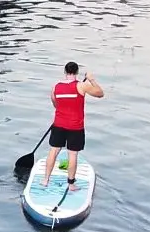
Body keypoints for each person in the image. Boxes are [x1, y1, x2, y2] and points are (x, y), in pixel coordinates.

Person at [40, 61, 105, 189]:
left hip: (58, 124)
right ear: (76, 73)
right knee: (73, 154)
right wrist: (91, 80)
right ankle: (71, 184)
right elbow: (100, 93)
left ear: (65, 72)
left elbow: (56, 104)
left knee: (54, 150)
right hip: (75, 127)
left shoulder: (55, 87)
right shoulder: (82, 86)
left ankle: (45, 180)